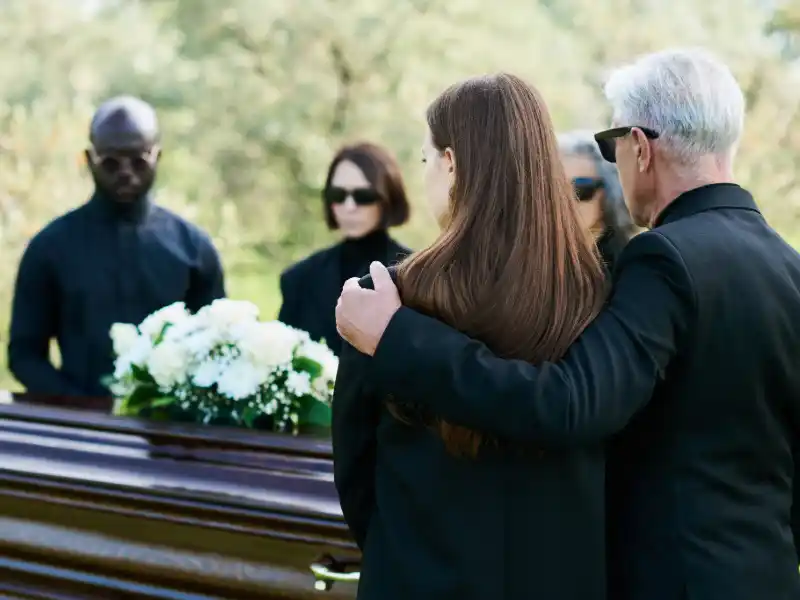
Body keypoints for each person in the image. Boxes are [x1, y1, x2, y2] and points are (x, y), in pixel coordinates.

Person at [335, 49, 800, 600]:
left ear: (641, 148)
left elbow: (567, 404)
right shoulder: (788, 267)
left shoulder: (661, 262)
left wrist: (395, 337)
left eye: (612, 148)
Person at [333, 74, 608, 600]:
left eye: (424, 160)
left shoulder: (388, 299)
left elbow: (356, 469)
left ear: (452, 164)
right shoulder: (599, 291)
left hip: (418, 577)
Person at [8, 95, 225, 399]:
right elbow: (25, 355)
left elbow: (218, 352)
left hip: (169, 431)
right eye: (111, 162)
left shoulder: (194, 249)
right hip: (82, 429)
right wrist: (83, 407)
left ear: (157, 157)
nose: (126, 173)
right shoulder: (49, 249)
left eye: (138, 161)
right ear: (89, 158)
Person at [278, 142, 410, 356]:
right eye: (338, 195)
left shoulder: (417, 275)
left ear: (387, 198)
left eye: (363, 196)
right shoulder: (299, 279)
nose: (349, 207)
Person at [559, 130, 637, 272]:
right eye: (556, 190)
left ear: (609, 192)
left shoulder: (632, 264)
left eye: (581, 189)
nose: (567, 202)